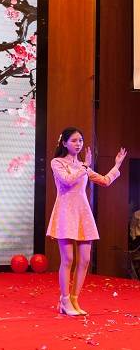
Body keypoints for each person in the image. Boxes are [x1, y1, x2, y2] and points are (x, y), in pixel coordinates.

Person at [46, 127, 126, 316]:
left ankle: (74, 299)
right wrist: (84, 167)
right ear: (64, 143)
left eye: (80, 140)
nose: (78, 144)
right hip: (65, 212)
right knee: (68, 259)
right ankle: (64, 300)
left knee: (85, 259)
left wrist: (117, 165)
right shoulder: (57, 162)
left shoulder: (84, 166)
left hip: (83, 213)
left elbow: (105, 181)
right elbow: (67, 181)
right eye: (74, 140)